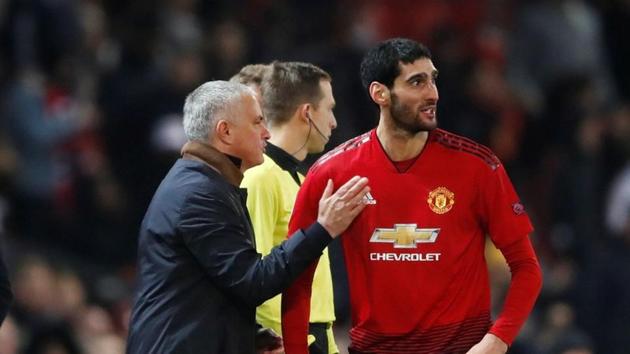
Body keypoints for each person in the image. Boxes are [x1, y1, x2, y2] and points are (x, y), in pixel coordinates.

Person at [281, 38, 543, 354]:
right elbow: (297, 276)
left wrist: (497, 340)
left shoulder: (477, 166)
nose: (432, 92)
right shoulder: (331, 172)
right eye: (417, 82)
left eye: (433, 80)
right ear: (380, 93)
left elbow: (526, 267)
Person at [126, 80, 370, 354]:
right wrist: (322, 228)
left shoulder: (206, 183)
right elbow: (254, 281)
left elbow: (209, 285)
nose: (266, 133)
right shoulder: (198, 194)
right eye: (257, 123)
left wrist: (248, 335)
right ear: (225, 131)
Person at [240, 61, 339, 354]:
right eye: (330, 108)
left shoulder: (302, 179)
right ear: (307, 112)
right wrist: (277, 340)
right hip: (288, 340)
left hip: (316, 335)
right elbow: (249, 274)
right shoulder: (260, 177)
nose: (334, 122)